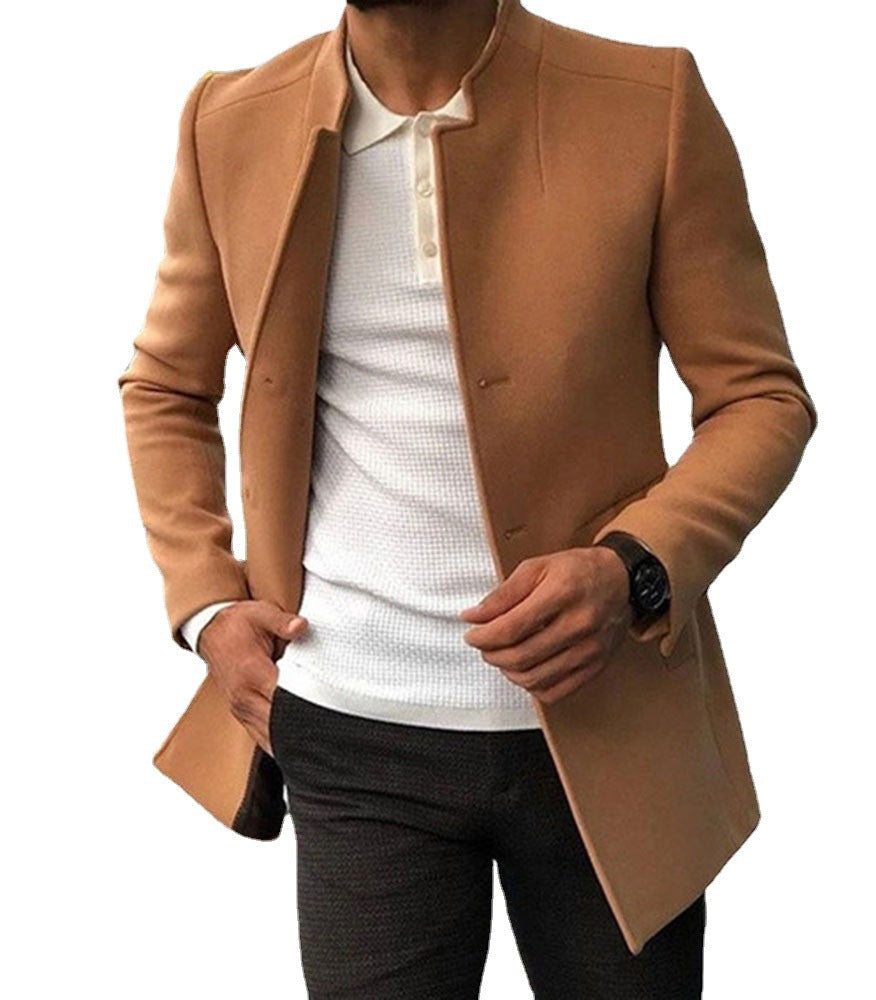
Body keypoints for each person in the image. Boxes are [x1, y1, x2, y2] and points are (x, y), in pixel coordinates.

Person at [118, 0, 816, 996]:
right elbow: (165, 385)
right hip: (349, 729)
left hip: (608, 728)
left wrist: (632, 571)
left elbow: (759, 397)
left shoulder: (647, 101)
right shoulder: (229, 119)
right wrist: (207, 606)